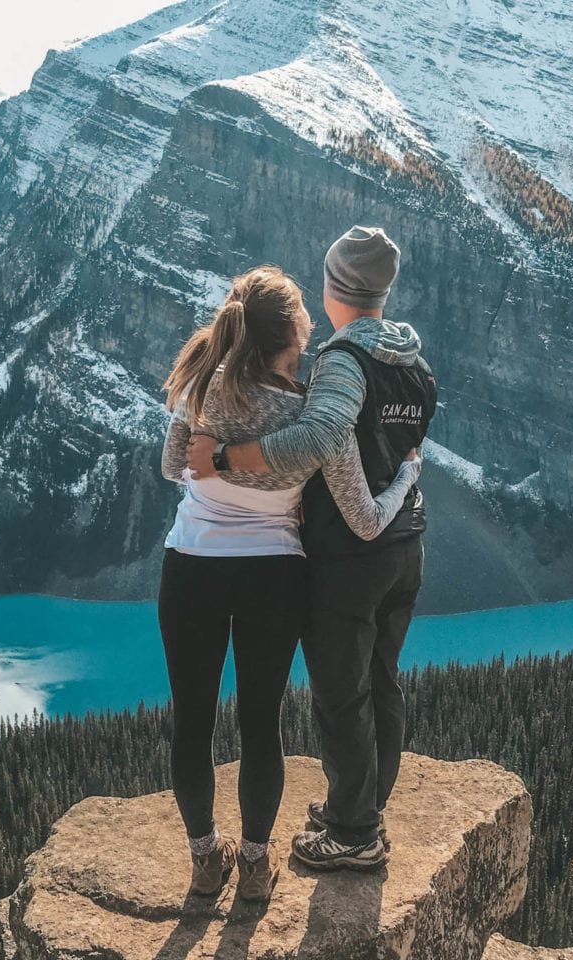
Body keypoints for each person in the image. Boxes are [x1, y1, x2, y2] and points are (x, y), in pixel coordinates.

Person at [160, 265, 422, 903]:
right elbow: (359, 512)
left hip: (191, 567)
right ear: (295, 333)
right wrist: (406, 480)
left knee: (191, 722)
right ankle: (254, 864)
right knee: (259, 724)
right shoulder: (311, 413)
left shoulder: (199, 384)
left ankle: (203, 859)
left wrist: (221, 459)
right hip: (274, 576)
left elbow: (174, 468)